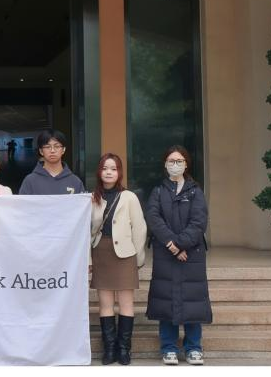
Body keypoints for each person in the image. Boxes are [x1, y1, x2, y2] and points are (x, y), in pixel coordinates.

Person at [145, 145, 211, 366]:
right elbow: (154, 218)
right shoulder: (158, 191)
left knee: (192, 300)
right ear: (165, 164)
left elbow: (199, 222)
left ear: (186, 164)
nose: (175, 164)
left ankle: (194, 348)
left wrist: (181, 245)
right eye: (171, 161)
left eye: (179, 161)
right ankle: (169, 347)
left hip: (191, 254)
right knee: (166, 301)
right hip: (166, 253)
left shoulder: (195, 191)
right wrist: (172, 245)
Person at [89, 153, 146, 365]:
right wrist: (88, 259)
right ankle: (110, 349)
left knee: (125, 304)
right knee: (105, 304)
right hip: (101, 252)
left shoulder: (129, 197)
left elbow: (139, 228)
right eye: (105, 168)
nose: (109, 172)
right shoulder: (92, 198)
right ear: (99, 172)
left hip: (125, 254)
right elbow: (86, 231)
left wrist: (138, 258)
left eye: (113, 168)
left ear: (119, 172)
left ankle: (124, 349)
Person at [18, 129, 85, 195]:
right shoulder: (30, 181)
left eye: (57, 146)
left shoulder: (75, 181)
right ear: (41, 151)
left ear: (63, 150)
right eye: (47, 147)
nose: (52, 150)